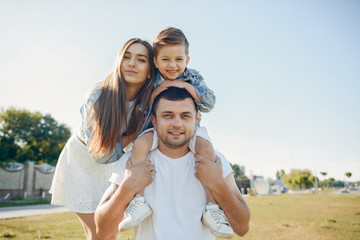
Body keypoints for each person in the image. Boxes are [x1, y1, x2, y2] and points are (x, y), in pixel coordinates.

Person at [95, 87, 250, 240]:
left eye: (185, 116)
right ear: (154, 122)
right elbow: (103, 230)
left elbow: (242, 227)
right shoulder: (134, 161)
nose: (177, 124)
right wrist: (128, 186)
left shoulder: (215, 161)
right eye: (168, 116)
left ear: (196, 121)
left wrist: (217, 183)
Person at [120, 27, 229, 237]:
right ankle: (139, 201)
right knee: (140, 145)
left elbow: (209, 103)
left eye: (179, 59)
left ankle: (212, 208)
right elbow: (143, 109)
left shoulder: (192, 77)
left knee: (206, 148)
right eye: (166, 60)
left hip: (190, 130)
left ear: (187, 60)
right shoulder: (151, 81)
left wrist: (185, 86)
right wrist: (154, 96)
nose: (172, 65)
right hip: (157, 129)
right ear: (156, 61)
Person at [49, 38, 156, 240]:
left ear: (150, 69)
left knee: (109, 232)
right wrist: (135, 133)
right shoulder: (98, 96)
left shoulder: (149, 102)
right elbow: (102, 154)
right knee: (98, 234)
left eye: (141, 59)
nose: (131, 63)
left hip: (111, 168)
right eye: (126, 57)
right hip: (81, 163)